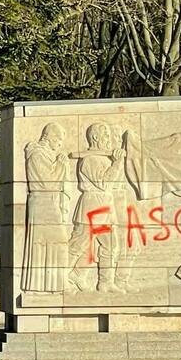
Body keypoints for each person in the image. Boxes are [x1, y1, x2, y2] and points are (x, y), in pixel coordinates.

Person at [67, 123, 126, 293]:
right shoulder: (89, 159)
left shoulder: (102, 158)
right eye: (105, 136)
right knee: (79, 245)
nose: (108, 140)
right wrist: (117, 163)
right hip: (91, 206)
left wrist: (116, 162)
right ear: (95, 138)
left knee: (111, 245)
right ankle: (61, 276)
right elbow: (104, 182)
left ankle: (104, 282)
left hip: (105, 206)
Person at [21, 123, 69, 292]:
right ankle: (42, 286)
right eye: (59, 140)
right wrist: (61, 165)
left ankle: (55, 285)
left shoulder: (45, 155)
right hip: (43, 203)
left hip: (49, 202)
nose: (60, 144)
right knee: (53, 242)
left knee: (54, 243)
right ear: (50, 137)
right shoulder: (37, 155)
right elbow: (48, 182)